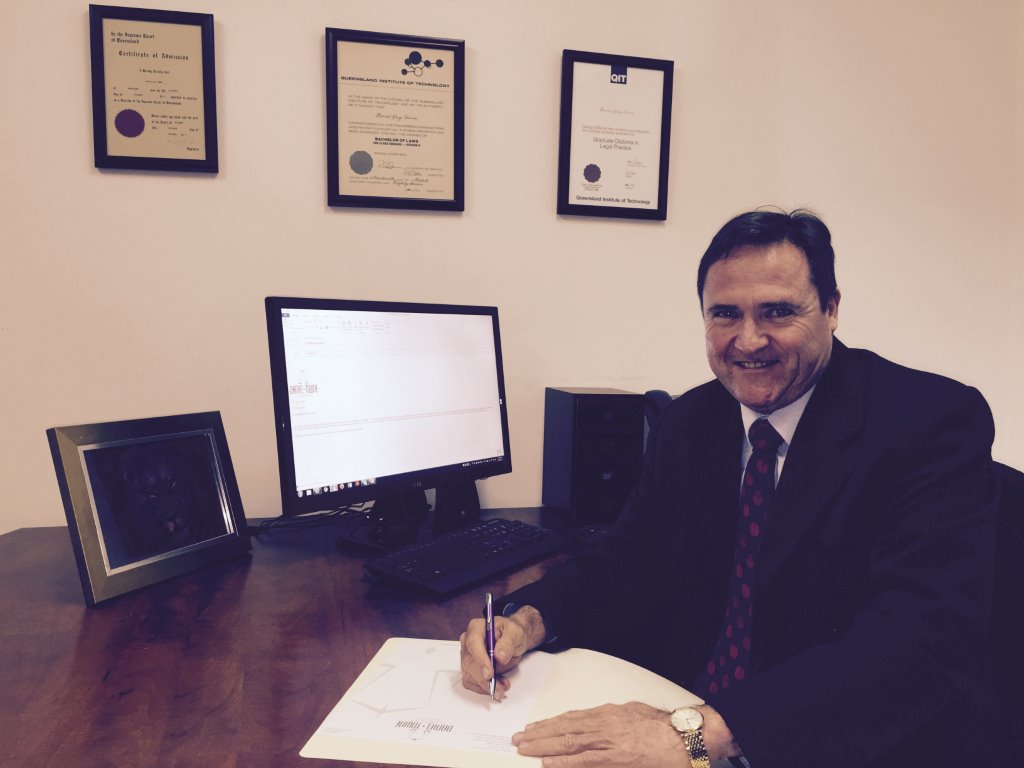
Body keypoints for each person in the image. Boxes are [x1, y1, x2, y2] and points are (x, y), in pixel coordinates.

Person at [460, 209, 999, 768]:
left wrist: (695, 735)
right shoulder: (692, 420)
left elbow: (917, 641)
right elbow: (626, 558)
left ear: (832, 308)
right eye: (725, 314)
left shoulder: (930, 422)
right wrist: (526, 620)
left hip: (829, 740)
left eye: (778, 312)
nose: (748, 340)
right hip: (687, 706)